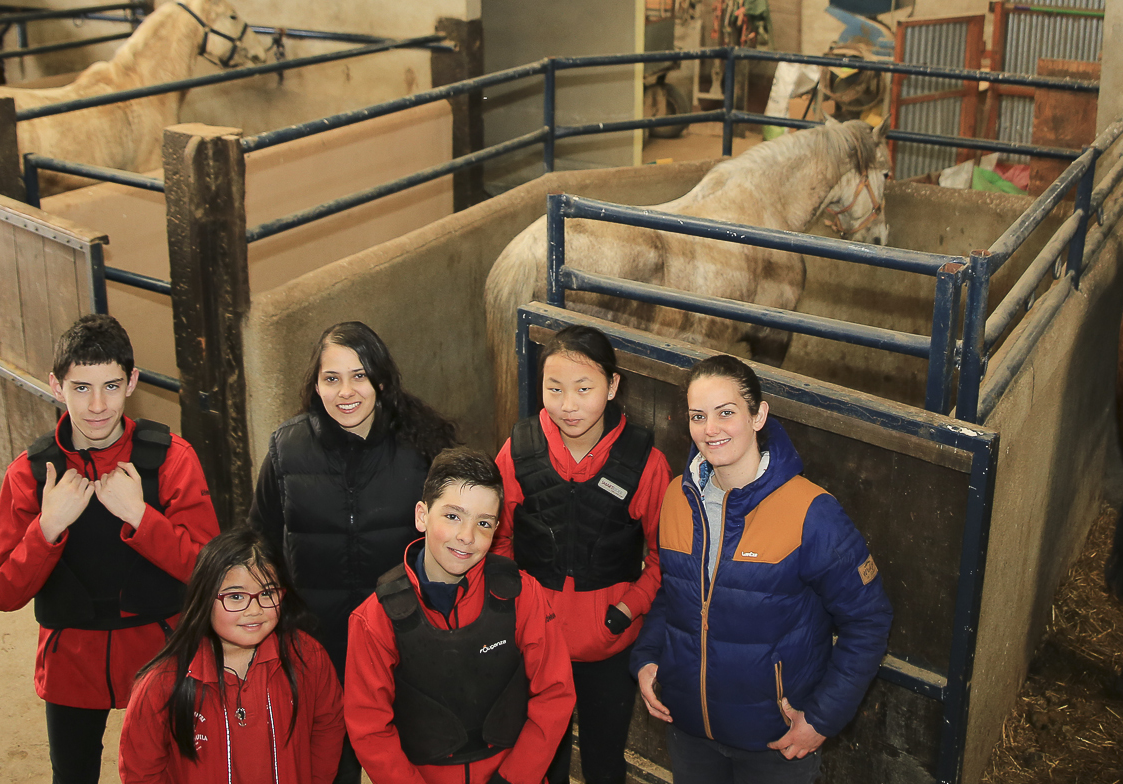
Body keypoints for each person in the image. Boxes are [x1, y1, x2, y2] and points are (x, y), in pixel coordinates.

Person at [631, 355, 892, 784]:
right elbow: (672, 594)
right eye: (698, 416)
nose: (710, 429)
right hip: (688, 731)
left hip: (775, 742)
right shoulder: (678, 497)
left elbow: (869, 618)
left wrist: (823, 718)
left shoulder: (810, 511)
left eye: (726, 413)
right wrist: (645, 659)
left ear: (758, 416)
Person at [0, 313, 221, 784]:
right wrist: (47, 527)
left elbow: (209, 570)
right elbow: (1, 593)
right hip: (71, 662)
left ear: (132, 381)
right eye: (81, 388)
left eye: (111, 386)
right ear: (56, 386)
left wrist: (141, 517)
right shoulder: (29, 475)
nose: (96, 405)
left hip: (161, 654)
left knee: (173, 774)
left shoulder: (172, 459)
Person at [250, 321, 459, 784]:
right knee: (329, 768)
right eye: (332, 378)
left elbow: (457, 542)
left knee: (409, 768)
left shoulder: (421, 451)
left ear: (381, 382)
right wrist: (279, 618)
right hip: (316, 646)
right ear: (316, 384)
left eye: (359, 375)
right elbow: (260, 540)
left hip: (402, 645)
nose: (346, 391)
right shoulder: (287, 450)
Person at [493, 326, 671, 784]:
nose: (568, 404)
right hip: (534, 644)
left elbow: (663, 558)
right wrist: (520, 606)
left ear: (612, 387)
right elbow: (498, 539)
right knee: (539, 764)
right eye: (554, 389)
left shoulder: (645, 463)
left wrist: (625, 611)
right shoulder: (519, 450)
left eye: (584, 388)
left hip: (609, 646)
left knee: (604, 762)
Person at [344, 447, 576, 784]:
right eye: (453, 516)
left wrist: (514, 778)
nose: (467, 537)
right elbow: (368, 728)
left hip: (512, 774)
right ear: (422, 515)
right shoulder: (375, 618)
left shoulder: (522, 595)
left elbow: (555, 694)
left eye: (483, 523)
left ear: (497, 529)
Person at [118, 528, 346, 783]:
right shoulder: (162, 682)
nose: (255, 610)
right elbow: (141, 771)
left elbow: (329, 726)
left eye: (267, 593)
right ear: (203, 598)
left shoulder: (307, 656)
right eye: (236, 596)